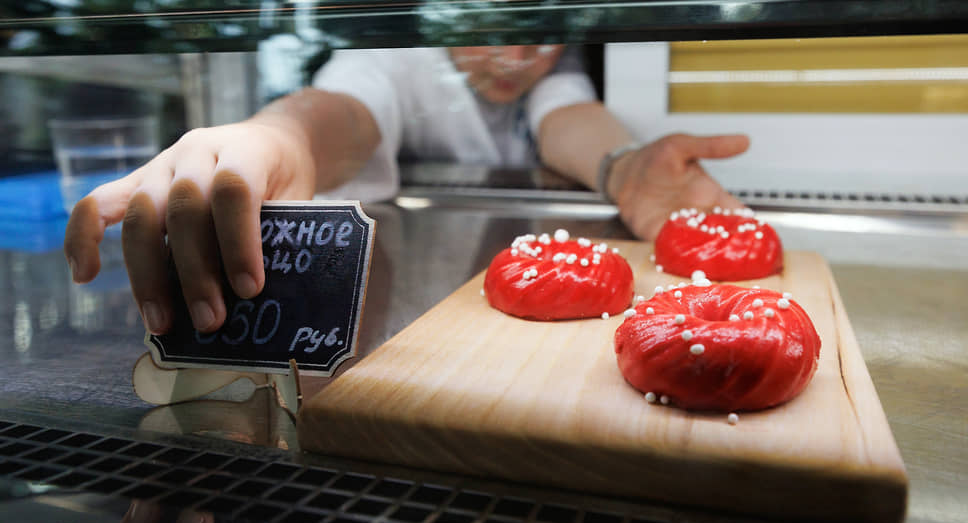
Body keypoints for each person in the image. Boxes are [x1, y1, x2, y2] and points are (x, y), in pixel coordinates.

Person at [63, 45, 748, 337]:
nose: (518, 59)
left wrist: (622, 167)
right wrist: (279, 139)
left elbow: (565, 117)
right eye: (489, 28)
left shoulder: (551, 68)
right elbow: (346, 111)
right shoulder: (391, 54)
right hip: (393, 319)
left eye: (538, 38)